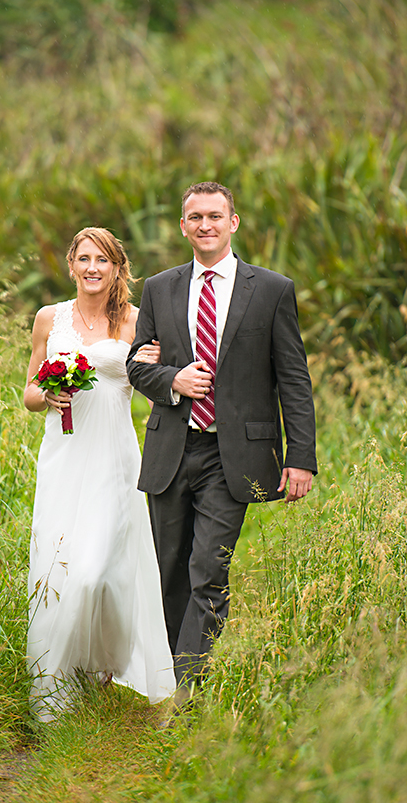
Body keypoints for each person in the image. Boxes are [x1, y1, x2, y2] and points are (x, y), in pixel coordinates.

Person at [126, 182, 316, 692]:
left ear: (233, 222)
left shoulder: (272, 289)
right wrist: (174, 380)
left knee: (208, 568)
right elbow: (137, 365)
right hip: (171, 447)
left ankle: (188, 694)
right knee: (169, 570)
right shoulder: (160, 288)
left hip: (234, 454)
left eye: (214, 215)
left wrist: (301, 458)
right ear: (183, 226)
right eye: (194, 217)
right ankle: (168, 676)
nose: (204, 224)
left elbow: (293, 377)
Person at [24, 226, 176, 721]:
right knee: (61, 564)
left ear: (117, 268)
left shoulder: (135, 321)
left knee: (99, 575)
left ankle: (106, 663)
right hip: (63, 457)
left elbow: (155, 385)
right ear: (70, 264)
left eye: (103, 260)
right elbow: (28, 392)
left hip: (115, 459)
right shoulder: (49, 319)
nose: (93, 268)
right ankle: (58, 683)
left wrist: (155, 366)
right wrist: (48, 394)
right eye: (84, 258)